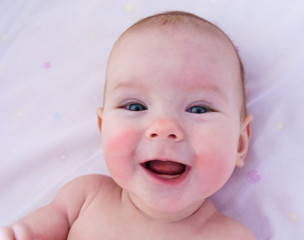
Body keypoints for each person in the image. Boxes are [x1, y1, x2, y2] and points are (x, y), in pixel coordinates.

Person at [0, 11, 255, 239]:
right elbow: (31, 231)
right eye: (135, 107)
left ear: (240, 143)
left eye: (198, 109)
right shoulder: (86, 197)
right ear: (103, 127)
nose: (164, 127)